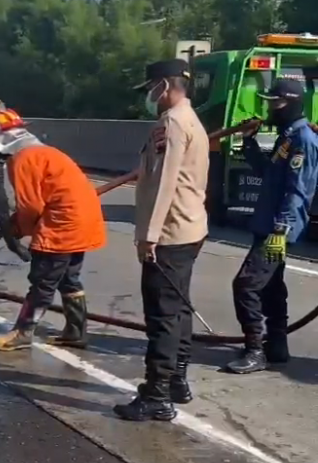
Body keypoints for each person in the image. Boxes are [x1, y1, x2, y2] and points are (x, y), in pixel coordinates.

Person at [113, 59, 209, 422]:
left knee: (163, 315)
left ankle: (156, 394)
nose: (150, 97)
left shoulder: (171, 123)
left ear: (164, 86)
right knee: (179, 308)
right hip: (190, 228)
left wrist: (148, 236)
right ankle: (176, 380)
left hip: (169, 233)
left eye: (151, 89)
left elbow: (165, 183)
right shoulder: (192, 119)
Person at [0, 108, 106, 352]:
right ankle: (76, 332)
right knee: (68, 278)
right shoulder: (46, 152)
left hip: (62, 224)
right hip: (82, 220)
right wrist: (16, 224)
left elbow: (31, 207)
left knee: (43, 281)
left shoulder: (22, 159)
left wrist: (16, 230)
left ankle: (22, 333)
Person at [225, 79, 318, 375]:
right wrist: (249, 142)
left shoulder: (303, 139)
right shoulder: (287, 137)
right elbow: (269, 173)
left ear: (290, 103)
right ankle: (277, 345)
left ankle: (255, 350)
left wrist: (282, 229)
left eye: (274, 103)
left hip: (279, 229)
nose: (268, 107)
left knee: (246, 284)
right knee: (271, 287)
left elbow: (298, 190)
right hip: (268, 225)